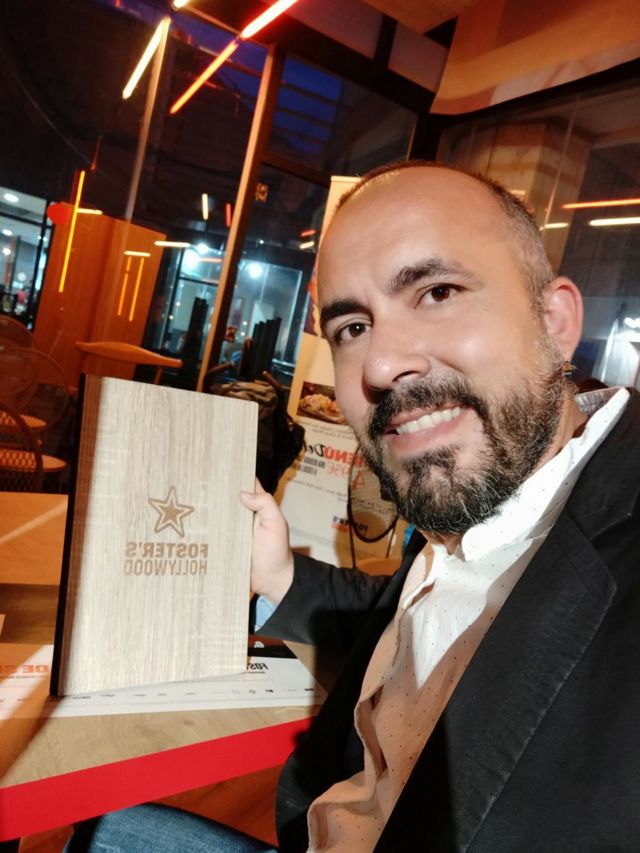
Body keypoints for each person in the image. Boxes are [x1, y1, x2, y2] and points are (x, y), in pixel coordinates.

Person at [68, 162, 640, 852]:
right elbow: (426, 611)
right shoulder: (492, 498)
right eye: (351, 327)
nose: (379, 365)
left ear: (555, 321)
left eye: (437, 292)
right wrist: (279, 574)